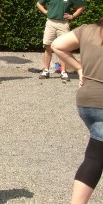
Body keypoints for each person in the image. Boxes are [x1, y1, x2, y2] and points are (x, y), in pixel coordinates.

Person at [52, 17, 103, 204]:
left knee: (95, 157)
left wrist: (80, 69)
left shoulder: (87, 30)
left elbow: (57, 45)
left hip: (87, 101)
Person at [36, 0, 87, 82]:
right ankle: (46, 70)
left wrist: (73, 16)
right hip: (50, 22)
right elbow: (39, 4)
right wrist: (46, 12)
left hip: (63, 24)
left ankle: (63, 71)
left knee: (63, 48)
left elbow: (83, 5)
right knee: (48, 46)